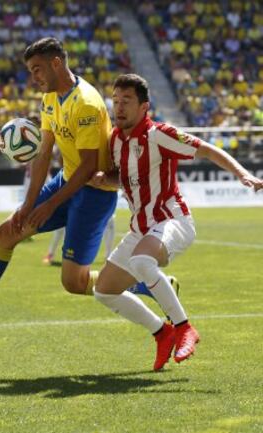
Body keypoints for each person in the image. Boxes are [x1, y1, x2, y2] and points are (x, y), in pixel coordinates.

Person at [0, 37, 119, 334]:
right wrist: (28, 205)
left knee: (73, 283)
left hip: (94, 193)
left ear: (56, 63)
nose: (34, 77)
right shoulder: (50, 97)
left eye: (37, 69)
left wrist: (49, 205)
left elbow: (89, 167)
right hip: (66, 182)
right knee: (5, 233)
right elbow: (42, 154)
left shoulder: (87, 103)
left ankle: (146, 283)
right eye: (30, 71)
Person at [92, 73, 263, 370]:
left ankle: (184, 327)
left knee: (142, 262)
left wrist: (242, 174)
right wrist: (102, 180)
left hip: (173, 220)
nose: (118, 108)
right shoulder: (116, 140)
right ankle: (162, 332)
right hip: (140, 227)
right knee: (104, 290)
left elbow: (207, 150)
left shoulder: (159, 134)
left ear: (144, 106)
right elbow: (122, 178)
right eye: (115, 101)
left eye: (126, 101)